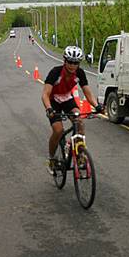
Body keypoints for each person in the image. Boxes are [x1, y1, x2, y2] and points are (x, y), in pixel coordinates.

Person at [42, 45, 104, 175]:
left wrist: (97, 106)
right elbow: (45, 94)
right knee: (58, 130)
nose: (72, 65)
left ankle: (79, 154)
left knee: (79, 121)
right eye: (69, 61)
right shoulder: (55, 72)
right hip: (53, 101)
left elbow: (87, 92)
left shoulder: (80, 73)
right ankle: (52, 158)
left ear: (79, 64)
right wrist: (49, 108)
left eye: (75, 63)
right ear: (64, 61)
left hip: (67, 99)